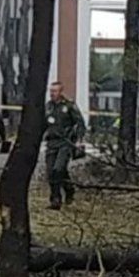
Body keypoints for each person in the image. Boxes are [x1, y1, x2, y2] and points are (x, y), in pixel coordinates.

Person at [44, 81, 86, 210]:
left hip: (65, 142)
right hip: (52, 142)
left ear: (61, 92)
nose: (52, 94)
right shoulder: (48, 106)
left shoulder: (69, 105)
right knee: (51, 172)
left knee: (59, 169)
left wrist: (79, 140)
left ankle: (68, 191)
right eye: (51, 91)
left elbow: (80, 123)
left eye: (55, 91)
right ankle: (55, 199)